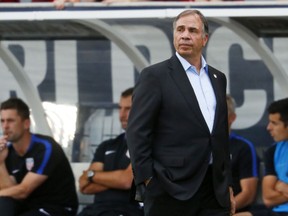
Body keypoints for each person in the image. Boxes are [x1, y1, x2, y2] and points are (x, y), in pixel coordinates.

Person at [126, 9, 235, 216]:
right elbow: (137, 132)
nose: (185, 35)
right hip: (170, 188)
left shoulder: (218, 78)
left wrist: (227, 184)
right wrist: (147, 181)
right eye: (180, 29)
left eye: (192, 30)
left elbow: (220, 136)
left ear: (204, 39)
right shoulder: (154, 76)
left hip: (213, 190)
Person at [0, 97, 78, 216]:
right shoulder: (7, 151)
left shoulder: (45, 147)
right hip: (27, 207)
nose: (5, 126)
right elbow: (9, 189)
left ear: (26, 124)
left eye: (10, 121)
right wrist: (0, 162)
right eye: (2, 121)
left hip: (56, 207)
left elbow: (23, 191)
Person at [77, 87, 144, 216]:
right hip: (96, 210)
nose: (122, 115)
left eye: (128, 109)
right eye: (120, 108)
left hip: (128, 210)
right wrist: (116, 180)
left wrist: (92, 175)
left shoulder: (149, 143)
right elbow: (84, 187)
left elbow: (126, 181)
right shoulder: (106, 146)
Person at [235, 98, 288, 216]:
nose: (268, 127)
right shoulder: (273, 151)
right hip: (277, 212)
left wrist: (281, 186)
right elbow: (268, 198)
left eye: (274, 123)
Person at [226, 95, 260, 213]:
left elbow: (248, 194)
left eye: (220, 113)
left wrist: (224, 212)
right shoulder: (197, 146)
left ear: (232, 117)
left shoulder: (243, 147)